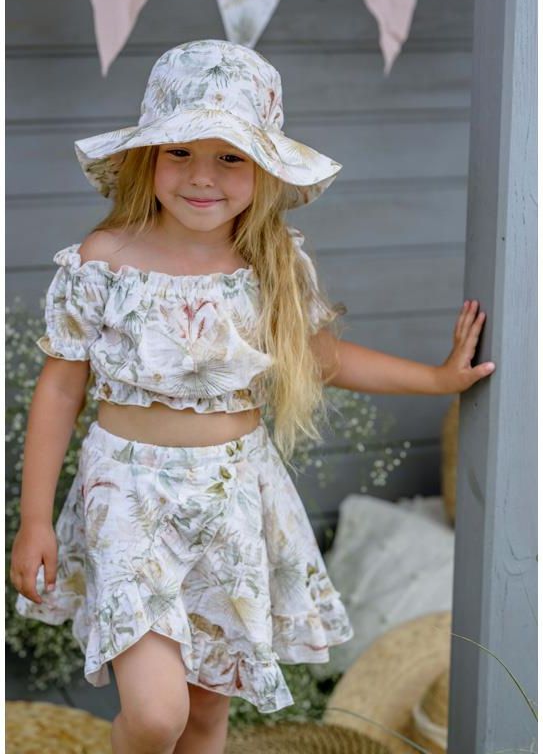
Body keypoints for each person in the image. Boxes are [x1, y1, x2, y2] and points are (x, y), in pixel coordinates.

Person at [9, 39, 495, 754]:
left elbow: (317, 356)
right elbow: (59, 388)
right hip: (129, 499)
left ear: (263, 167)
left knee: (208, 713)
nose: (202, 176)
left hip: (234, 499)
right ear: (148, 157)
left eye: (230, 157)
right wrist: (34, 520)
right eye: (180, 151)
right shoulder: (102, 261)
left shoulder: (270, 260)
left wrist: (437, 379)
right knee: (156, 715)